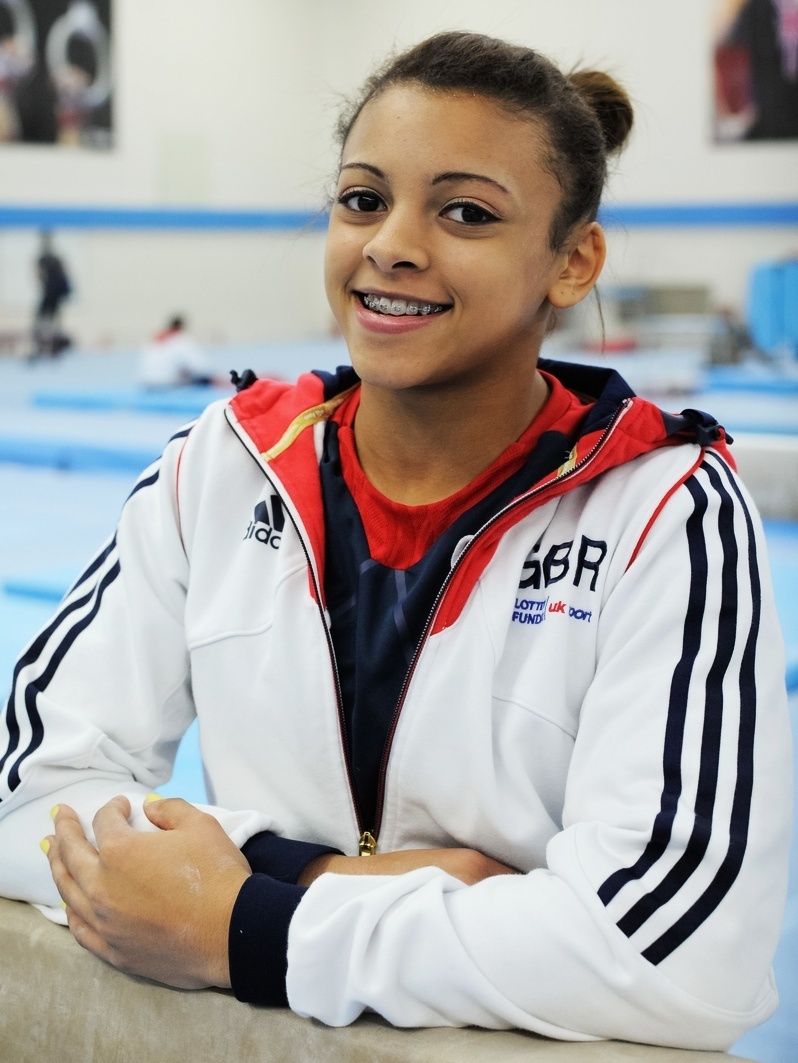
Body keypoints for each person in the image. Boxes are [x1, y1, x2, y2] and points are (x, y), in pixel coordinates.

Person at [0, 32, 790, 1050]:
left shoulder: (664, 511)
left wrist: (246, 925)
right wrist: (313, 875)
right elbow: (25, 792)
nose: (392, 245)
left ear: (573, 261)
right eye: (363, 199)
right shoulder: (222, 468)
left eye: (466, 213)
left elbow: (680, 948)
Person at [137, 315, 216, 388]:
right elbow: (199, 367)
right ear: (181, 328)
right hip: (169, 385)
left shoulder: (152, 341)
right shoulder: (180, 340)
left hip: (147, 383)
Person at [29, 231, 72, 360]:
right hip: (53, 294)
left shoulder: (46, 259)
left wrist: (47, 285)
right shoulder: (53, 258)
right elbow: (64, 273)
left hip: (50, 294)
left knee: (43, 320)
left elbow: (39, 275)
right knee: (50, 321)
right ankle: (49, 347)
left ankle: (48, 347)